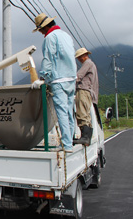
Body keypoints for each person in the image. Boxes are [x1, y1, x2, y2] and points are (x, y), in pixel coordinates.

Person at [31, 13, 77, 152]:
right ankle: (71, 141)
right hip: (71, 77)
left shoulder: (50, 38)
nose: (40, 32)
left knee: (62, 112)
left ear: (43, 28)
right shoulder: (66, 35)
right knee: (69, 111)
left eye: (40, 30)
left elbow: (48, 59)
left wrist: (43, 78)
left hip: (59, 79)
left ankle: (66, 145)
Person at [73, 48, 99, 146]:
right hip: (89, 92)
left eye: (80, 57)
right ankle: (87, 137)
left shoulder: (87, 63)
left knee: (82, 113)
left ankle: (84, 137)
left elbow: (78, 76)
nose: (79, 59)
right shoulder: (91, 64)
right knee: (86, 115)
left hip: (83, 90)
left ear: (84, 55)